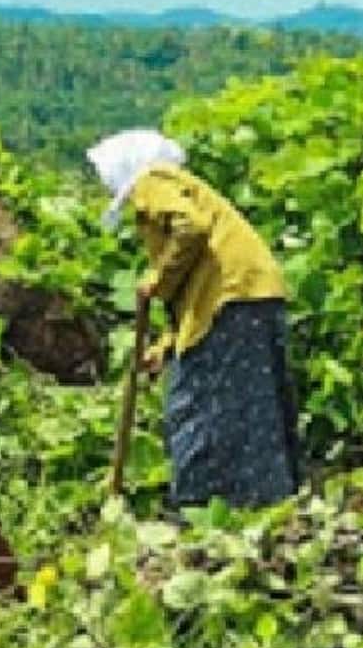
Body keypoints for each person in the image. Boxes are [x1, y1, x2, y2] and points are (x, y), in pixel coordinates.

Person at [89, 130, 300, 509]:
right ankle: (261, 504)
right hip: (251, 292)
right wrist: (164, 348)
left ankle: (200, 506)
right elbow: (194, 293)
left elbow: (191, 228)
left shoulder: (151, 181)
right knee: (253, 406)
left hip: (233, 295)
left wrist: (156, 280)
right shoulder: (181, 184)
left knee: (198, 407)